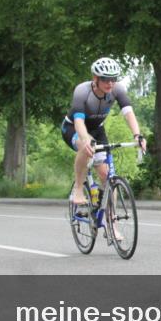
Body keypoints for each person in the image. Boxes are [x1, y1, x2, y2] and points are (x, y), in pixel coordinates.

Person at [61, 57, 147, 236]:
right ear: (95, 78)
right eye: (106, 79)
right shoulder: (82, 91)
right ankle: (78, 188)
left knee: (107, 175)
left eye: (113, 79)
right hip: (73, 127)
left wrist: (137, 135)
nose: (110, 83)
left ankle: (110, 222)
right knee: (85, 147)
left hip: (97, 130)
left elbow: (128, 112)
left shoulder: (117, 90)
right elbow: (78, 121)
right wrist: (85, 139)